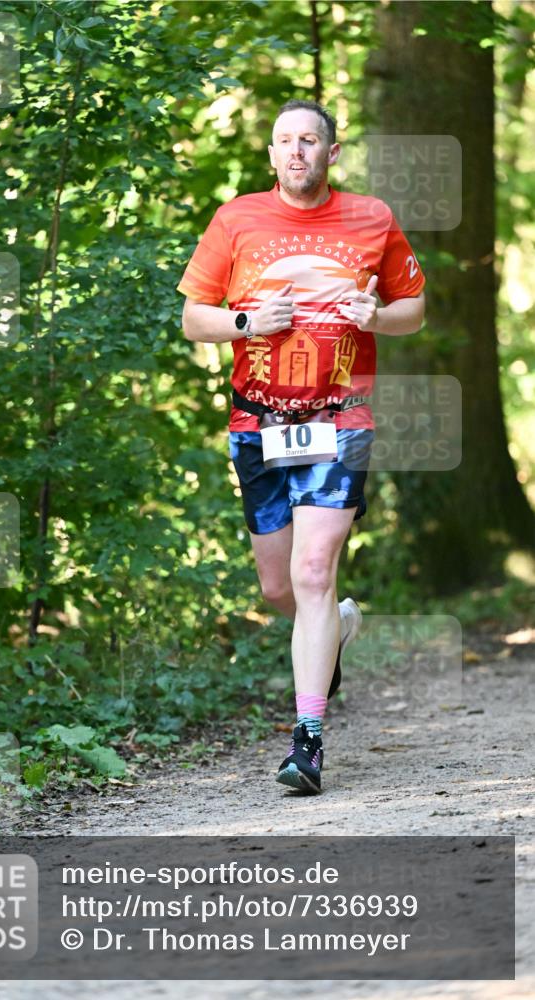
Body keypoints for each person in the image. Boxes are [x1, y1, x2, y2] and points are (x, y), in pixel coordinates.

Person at [177, 99, 426, 793]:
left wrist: (376, 314)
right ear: (270, 154)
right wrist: (246, 319)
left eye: (309, 140)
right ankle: (333, 632)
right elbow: (194, 319)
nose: (296, 151)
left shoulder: (371, 218)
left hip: (340, 421)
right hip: (259, 422)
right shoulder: (236, 219)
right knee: (279, 586)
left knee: (315, 571)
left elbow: (412, 308)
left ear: (331, 152)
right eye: (284, 140)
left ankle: (307, 742)